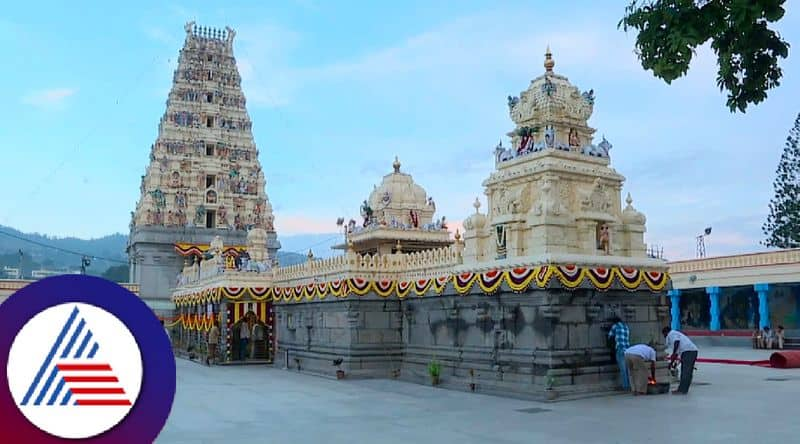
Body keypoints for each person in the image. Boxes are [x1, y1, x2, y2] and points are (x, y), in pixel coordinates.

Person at [663, 327, 699, 395]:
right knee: (687, 372)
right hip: (691, 351)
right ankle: (683, 389)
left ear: (665, 333)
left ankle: (682, 390)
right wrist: (671, 364)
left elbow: (676, 342)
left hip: (688, 352)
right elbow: (676, 353)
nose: (665, 337)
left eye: (664, 335)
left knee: (685, 372)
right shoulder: (676, 334)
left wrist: (673, 354)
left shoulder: (671, 334)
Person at [608, 317, 631, 391]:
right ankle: (630, 385)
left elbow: (610, 336)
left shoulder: (615, 326)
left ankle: (625, 386)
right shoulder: (626, 327)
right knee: (627, 369)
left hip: (620, 348)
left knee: (622, 369)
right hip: (627, 349)